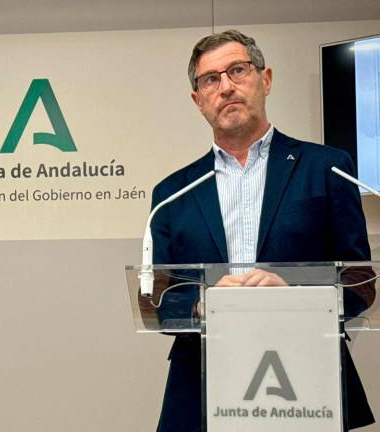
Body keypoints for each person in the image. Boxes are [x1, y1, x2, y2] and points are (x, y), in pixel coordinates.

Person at [150, 30, 374, 431]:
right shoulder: (173, 194)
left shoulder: (327, 168)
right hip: (200, 385)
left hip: (308, 380)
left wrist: (295, 296)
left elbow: (361, 283)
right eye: (210, 80)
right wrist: (204, 304)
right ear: (198, 100)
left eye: (238, 70)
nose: (226, 87)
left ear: (265, 79)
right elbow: (158, 298)